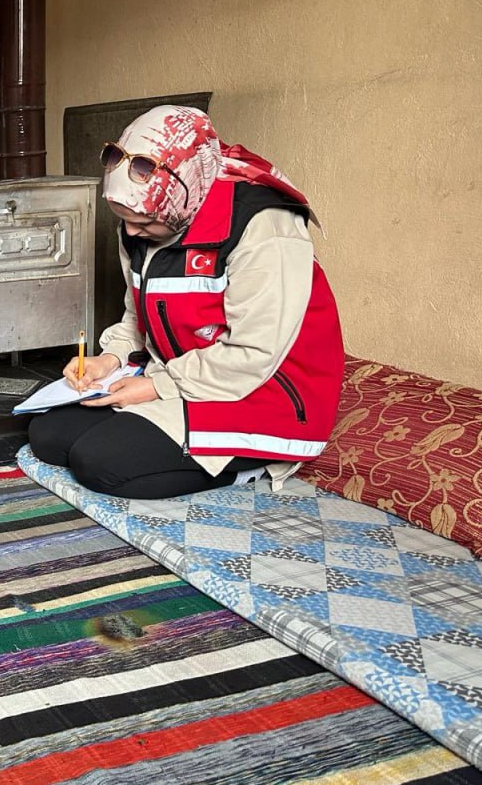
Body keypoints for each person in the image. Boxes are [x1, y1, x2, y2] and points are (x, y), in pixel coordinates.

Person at [29, 105, 344, 499]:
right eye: (124, 218)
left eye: (143, 224)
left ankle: (251, 467)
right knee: (49, 436)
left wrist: (157, 386)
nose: (130, 231)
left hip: (261, 390)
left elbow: (254, 354)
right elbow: (136, 315)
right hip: (182, 375)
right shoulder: (148, 212)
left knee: (100, 463)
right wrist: (107, 359)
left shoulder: (264, 224)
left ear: (185, 194)